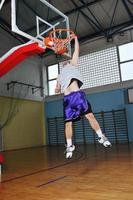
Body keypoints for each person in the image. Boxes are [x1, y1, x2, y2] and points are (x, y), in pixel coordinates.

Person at [55, 36, 111, 159]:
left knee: (90, 116)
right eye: (63, 61)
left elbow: (76, 51)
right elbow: (57, 89)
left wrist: (75, 39)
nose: (64, 61)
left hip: (77, 96)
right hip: (67, 100)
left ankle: (101, 136)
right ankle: (69, 146)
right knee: (67, 124)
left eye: (66, 60)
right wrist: (57, 88)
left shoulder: (73, 65)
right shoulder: (59, 76)